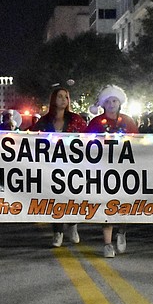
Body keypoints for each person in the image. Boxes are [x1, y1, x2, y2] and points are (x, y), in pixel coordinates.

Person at [31, 85, 88, 247]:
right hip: (51, 167)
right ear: (53, 100)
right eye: (60, 96)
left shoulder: (76, 120)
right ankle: (57, 232)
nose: (64, 99)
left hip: (72, 166)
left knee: (72, 197)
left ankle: (73, 226)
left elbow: (87, 139)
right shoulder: (44, 121)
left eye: (66, 97)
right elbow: (31, 138)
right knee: (54, 199)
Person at [86, 85, 137, 257]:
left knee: (123, 203)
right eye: (108, 101)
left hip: (124, 169)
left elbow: (138, 142)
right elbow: (86, 144)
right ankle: (107, 243)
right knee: (106, 204)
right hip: (103, 170)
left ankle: (121, 232)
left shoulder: (128, 122)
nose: (111, 104)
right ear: (103, 104)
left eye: (114, 100)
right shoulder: (95, 123)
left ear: (120, 103)